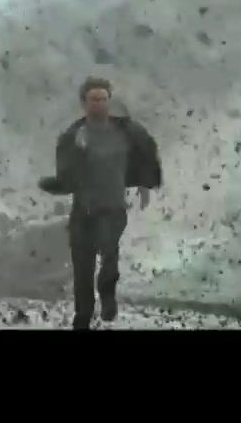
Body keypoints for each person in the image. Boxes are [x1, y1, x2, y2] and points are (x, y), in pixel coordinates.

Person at [38, 76, 162, 330]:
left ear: (109, 101)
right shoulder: (73, 136)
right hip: (83, 210)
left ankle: (107, 294)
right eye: (93, 99)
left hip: (113, 208)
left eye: (103, 99)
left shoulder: (126, 132)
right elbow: (66, 175)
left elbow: (146, 153)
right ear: (84, 103)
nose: (99, 104)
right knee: (82, 268)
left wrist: (145, 184)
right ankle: (82, 316)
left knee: (109, 256)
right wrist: (77, 153)